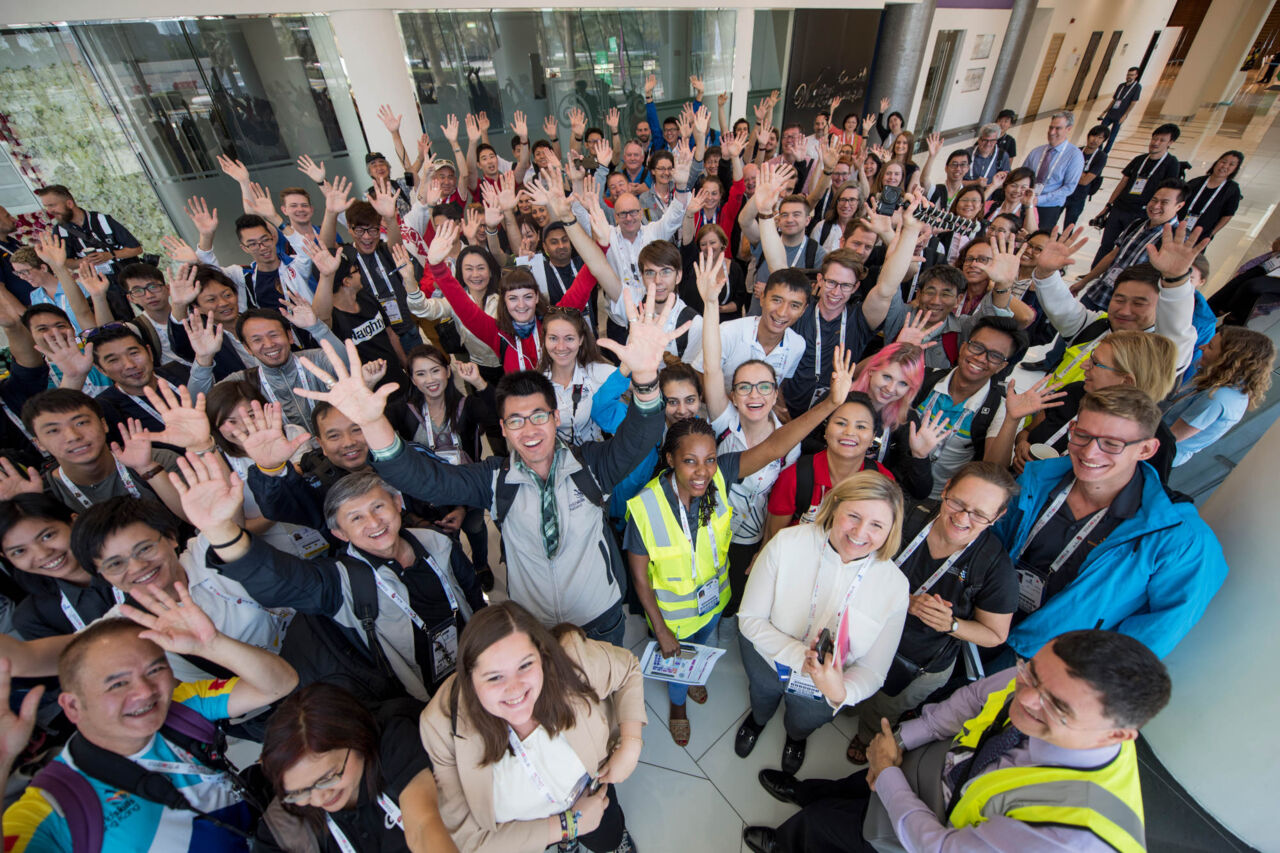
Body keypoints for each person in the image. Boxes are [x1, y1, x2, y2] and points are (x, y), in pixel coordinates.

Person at [295, 287, 684, 648]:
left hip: (601, 616)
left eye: (538, 416)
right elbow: (425, 480)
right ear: (502, 428)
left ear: (554, 417)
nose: (529, 430)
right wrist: (371, 423)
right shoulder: (494, 479)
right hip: (537, 625)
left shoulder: (592, 466)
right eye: (515, 421)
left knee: (605, 695)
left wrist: (647, 377)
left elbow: (638, 436)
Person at [743, 630, 1170, 853]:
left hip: (927, 832)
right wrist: (899, 743)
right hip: (932, 769)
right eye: (1030, 675)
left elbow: (940, 847)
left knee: (825, 830)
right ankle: (806, 793)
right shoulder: (1048, 679)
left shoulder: (1072, 835)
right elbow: (971, 698)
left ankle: (786, 843)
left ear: (1118, 734)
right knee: (848, 788)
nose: (1024, 699)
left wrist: (888, 774)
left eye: (1055, 707)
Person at [626, 348, 856, 745]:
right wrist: (660, 628)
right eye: (690, 462)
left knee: (706, 647)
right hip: (672, 616)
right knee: (677, 663)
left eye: (711, 460)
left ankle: (691, 679)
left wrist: (832, 405)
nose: (702, 472)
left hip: (713, 603)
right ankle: (678, 703)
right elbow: (639, 576)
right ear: (670, 459)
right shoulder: (644, 507)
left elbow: (776, 445)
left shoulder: (719, 477)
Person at [3, 587, 298, 852]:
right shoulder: (58, 800)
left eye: (155, 670)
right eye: (117, 684)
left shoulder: (180, 705)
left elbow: (278, 683)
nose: (144, 692)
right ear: (72, 706)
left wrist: (211, 646)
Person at [184, 445, 483, 701]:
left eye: (378, 506)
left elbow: (473, 597)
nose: (374, 522)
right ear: (340, 533)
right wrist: (223, 532)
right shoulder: (342, 581)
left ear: (397, 503)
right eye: (356, 518)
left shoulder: (438, 543)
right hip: (421, 698)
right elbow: (280, 582)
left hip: (476, 668)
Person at [998, 386, 1227, 660]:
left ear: (1146, 449)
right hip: (984, 619)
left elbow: (1150, 640)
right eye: (1082, 435)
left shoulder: (1182, 539)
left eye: (1112, 444)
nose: (1090, 453)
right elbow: (993, 542)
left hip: (1048, 660)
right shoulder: (1036, 477)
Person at [420, 601, 644, 853]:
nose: (515, 689)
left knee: (608, 836)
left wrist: (631, 743)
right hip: (528, 830)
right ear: (469, 678)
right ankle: (567, 839)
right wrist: (568, 826)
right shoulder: (440, 724)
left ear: (542, 654)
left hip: (591, 790)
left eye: (525, 665)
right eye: (495, 677)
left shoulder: (568, 656)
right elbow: (469, 839)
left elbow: (627, 670)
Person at [843, 462, 1018, 765]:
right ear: (946, 488)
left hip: (917, 660)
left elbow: (995, 634)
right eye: (958, 503)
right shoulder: (905, 516)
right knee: (846, 684)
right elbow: (852, 560)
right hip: (863, 631)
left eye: (979, 514)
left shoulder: (995, 567)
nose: (962, 518)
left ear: (998, 517)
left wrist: (951, 624)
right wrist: (903, 600)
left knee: (884, 706)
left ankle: (867, 733)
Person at [736, 471, 908, 776]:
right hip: (766, 657)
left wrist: (841, 692)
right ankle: (758, 720)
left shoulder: (895, 586)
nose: (860, 532)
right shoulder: (787, 543)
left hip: (825, 690)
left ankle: (795, 738)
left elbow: (873, 670)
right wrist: (801, 660)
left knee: (803, 722)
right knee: (761, 697)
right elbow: (750, 619)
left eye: (877, 525)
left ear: (891, 530)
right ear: (835, 505)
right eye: (853, 515)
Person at [255, 683, 457, 852]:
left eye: (327, 779)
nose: (319, 798)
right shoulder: (283, 822)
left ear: (357, 739)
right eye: (300, 792)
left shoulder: (394, 741)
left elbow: (422, 825)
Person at [1029, 224, 1202, 384]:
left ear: (1161, 307)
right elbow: (1062, 307)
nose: (1124, 311)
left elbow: (1176, 335)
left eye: (1139, 304)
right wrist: (1046, 273)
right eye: (1119, 299)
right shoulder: (1096, 326)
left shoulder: (1157, 352)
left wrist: (1175, 282)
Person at [1015, 330, 1179, 479]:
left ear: (1127, 382)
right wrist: (1022, 444)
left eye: (1095, 362)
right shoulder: (1073, 393)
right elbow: (1027, 432)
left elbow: (1140, 502)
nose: (1083, 365)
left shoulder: (1156, 441)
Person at [23, 388, 189, 520]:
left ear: (104, 425)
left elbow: (197, 520)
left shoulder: (159, 460)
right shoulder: (45, 493)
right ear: (39, 443)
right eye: (53, 430)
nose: (73, 436)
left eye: (81, 422)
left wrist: (148, 469)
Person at [911, 316, 1029, 497]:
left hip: (942, 500)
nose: (981, 358)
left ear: (1002, 366)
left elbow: (993, 471)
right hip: (892, 478)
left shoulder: (1001, 408)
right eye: (977, 347)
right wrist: (897, 351)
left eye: (995, 356)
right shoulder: (924, 377)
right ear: (963, 347)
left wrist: (1012, 420)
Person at [0, 494, 121, 638]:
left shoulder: (132, 561)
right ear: (5, 557)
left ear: (74, 521)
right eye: (19, 551)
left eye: (47, 536)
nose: (42, 554)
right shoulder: (33, 618)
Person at [1163, 327, 1275, 466]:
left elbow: (1171, 437)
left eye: (1210, 347)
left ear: (1227, 359)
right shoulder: (1221, 381)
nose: (1202, 347)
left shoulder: (1218, 398)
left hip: (1158, 453)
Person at [36, 184, 144, 321]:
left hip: (130, 275)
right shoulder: (60, 231)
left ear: (69, 203)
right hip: (102, 285)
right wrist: (82, 262)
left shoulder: (102, 220)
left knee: (150, 309)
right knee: (123, 322)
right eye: (46, 206)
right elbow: (66, 262)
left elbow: (136, 249)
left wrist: (110, 255)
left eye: (52, 205)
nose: (50, 211)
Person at [1077, 179, 1188, 311]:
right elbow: (1113, 255)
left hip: (1124, 308)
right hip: (1099, 294)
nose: (1156, 206)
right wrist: (1084, 282)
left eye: (1164, 202)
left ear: (1179, 206)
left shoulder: (1177, 239)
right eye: (1154, 199)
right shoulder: (1137, 224)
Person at [1091, 124, 1183, 266]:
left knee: (1126, 248)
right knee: (1106, 244)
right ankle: (1094, 272)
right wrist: (1108, 205)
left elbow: (1168, 191)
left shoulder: (1171, 163)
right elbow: (1123, 182)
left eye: (1162, 140)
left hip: (1141, 214)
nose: (1156, 143)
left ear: (1170, 143)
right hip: (1120, 208)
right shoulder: (1140, 159)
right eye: (1154, 138)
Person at [1019, 111, 1084, 229]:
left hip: (1048, 207)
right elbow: (1022, 175)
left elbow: (1069, 187)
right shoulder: (1037, 151)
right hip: (1027, 202)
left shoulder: (1074, 155)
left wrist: (1040, 200)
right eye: (1051, 127)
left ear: (1068, 129)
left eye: (1058, 128)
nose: (1052, 132)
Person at [1180, 151, 1243, 241]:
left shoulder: (1232, 190)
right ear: (1216, 162)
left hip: (1201, 234)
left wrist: (1211, 234)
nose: (1225, 166)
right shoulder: (1196, 182)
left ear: (1235, 169)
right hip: (1179, 226)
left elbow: (1228, 215)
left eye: (1231, 164)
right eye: (1223, 162)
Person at [1063, 125, 1110, 227]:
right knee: (1050, 221)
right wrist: (1082, 174)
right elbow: (1063, 172)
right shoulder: (1076, 151)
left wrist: (1073, 171)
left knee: (1069, 227)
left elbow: (1085, 181)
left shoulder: (1101, 157)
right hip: (1064, 192)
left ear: (1103, 141)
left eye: (1100, 138)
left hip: (1079, 197)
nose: (1095, 140)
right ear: (1088, 136)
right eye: (1094, 136)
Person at [1098, 67, 1143, 153]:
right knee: (1101, 131)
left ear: (1136, 76)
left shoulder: (1137, 87)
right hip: (1111, 113)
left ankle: (1105, 153)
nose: (1129, 76)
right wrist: (1104, 112)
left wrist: (1125, 115)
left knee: (1112, 136)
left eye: (1132, 75)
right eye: (1128, 74)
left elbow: (1133, 103)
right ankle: (1099, 150)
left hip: (1120, 115)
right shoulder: (1121, 85)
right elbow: (1114, 100)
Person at [964, 124, 1011, 190]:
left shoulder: (1002, 156)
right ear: (979, 140)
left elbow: (1007, 183)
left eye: (992, 141)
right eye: (985, 140)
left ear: (996, 141)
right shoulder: (967, 154)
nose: (988, 144)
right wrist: (975, 182)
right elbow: (955, 182)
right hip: (965, 196)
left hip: (990, 198)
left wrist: (992, 186)